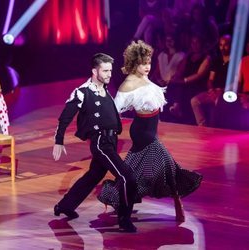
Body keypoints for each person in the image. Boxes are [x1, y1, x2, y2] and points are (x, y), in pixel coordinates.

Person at [98, 41, 203, 222]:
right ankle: (177, 202)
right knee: (167, 166)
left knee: (135, 171)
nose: (147, 67)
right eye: (143, 63)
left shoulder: (143, 78)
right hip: (141, 133)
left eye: (148, 62)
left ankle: (120, 201)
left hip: (151, 130)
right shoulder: (128, 85)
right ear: (133, 63)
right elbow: (114, 111)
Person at [52, 53, 137, 232]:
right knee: (126, 176)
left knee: (94, 175)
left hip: (111, 140)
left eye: (110, 71)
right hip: (101, 142)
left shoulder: (104, 89)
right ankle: (124, 219)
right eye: (105, 71)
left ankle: (65, 206)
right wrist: (59, 140)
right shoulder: (82, 92)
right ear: (94, 71)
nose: (109, 74)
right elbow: (65, 117)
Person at [191, 34, 231, 127]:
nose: (223, 48)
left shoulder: (235, 62)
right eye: (221, 45)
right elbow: (210, 79)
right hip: (213, 91)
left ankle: (216, 129)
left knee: (217, 102)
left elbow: (236, 82)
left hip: (226, 92)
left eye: (225, 45)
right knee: (194, 101)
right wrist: (211, 90)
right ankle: (202, 126)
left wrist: (221, 90)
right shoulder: (217, 61)